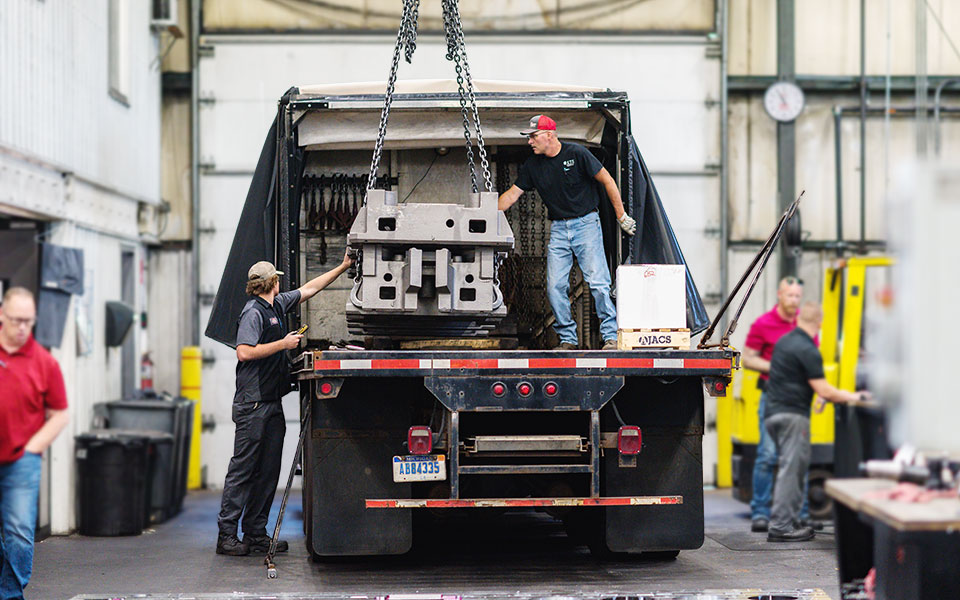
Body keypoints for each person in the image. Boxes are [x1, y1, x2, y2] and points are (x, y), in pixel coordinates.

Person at [216, 252, 353, 556]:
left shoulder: (276, 304)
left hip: (270, 402)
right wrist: (283, 344)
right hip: (252, 405)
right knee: (243, 470)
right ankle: (226, 535)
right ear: (272, 282)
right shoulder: (254, 312)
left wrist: (343, 266)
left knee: (267, 471)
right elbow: (243, 352)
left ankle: (255, 532)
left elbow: (310, 288)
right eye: (278, 279)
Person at [498, 114, 636, 351]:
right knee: (554, 287)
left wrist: (621, 216)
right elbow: (512, 195)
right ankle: (568, 339)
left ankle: (610, 336)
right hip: (560, 229)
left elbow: (608, 180)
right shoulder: (532, 166)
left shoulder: (577, 154)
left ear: (549, 135)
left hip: (587, 225)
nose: (530, 142)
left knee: (599, 284)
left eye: (533, 136)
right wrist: (484, 214)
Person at [764, 302, 866, 542]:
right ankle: (780, 526)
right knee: (792, 470)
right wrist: (854, 396)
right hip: (792, 416)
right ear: (819, 323)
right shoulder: (808, 349)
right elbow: (824, 389)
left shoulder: (785, 342)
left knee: (796, 469)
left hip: (774, 413)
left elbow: (795, 378)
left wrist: (820, 396)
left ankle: (790, 520)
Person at [0, 287, 69, 598]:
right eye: (16, 320)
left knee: (18, 535)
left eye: (28, 321)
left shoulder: (45, 363)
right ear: (2, 316)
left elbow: (60, 414)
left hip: (21, 461)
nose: (22, 327)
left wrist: (32, 448)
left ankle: (11, 594)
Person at [743, 276, 812, 533]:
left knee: (797, 458)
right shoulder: (764, 324)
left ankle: (800, 513)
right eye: (790, 295)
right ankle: (760, 512)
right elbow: (748, 358)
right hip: (772, 397)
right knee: (768, 455)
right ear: (779, 295)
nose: (794, 301)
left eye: (798, 296)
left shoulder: (804, 324)